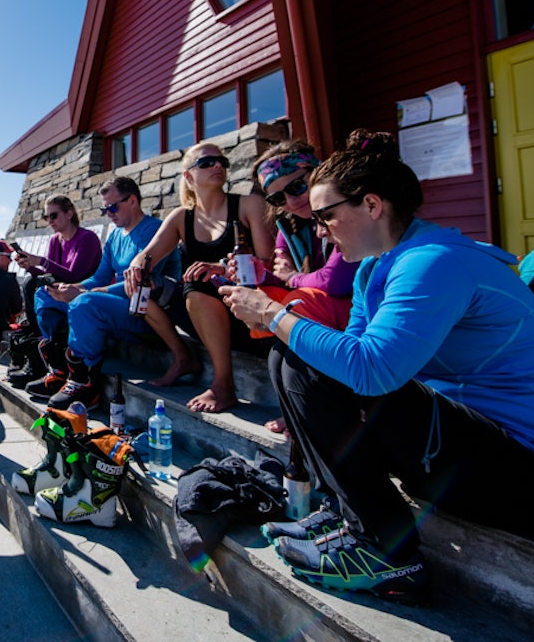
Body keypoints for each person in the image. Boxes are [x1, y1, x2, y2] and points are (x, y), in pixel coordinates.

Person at [221, 129, 534, 604]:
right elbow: (349, 355)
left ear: (372, 205)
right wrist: (282, 325)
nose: (318, 230)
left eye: (326, 216)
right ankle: (345, 513)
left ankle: (386, 550)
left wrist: (272, 314)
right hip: (477, 447)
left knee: (302, 353)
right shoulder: (374, 267)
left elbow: (371, 371)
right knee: (293, 354)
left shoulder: (433, 262)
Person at [125, 141, 272, 413]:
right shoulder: (182, 217)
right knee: (141, 287)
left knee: (196, 282)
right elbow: (148, 254)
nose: (217, 166)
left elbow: (268, 265)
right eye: (206, 163)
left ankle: (223, 385)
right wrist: (136, 267)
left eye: (221, 162)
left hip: (247, 315)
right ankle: (183, 356)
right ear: (189, 176)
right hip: (202, 318)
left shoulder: (249, 205)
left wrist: (221, 267)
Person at [29, 176, 180, 409]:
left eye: (112, 207)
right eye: (104, 209)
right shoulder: (116, 236)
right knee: (44, 294)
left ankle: (84, 382)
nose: (108, 214)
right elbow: (99, 278)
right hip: (117, 305)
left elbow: (142, 282)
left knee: (85, 303)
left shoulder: (154, 230)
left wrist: (84, 293)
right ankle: (61, 367)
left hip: (146, 311)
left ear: (132, 201)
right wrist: (75, 287)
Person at [249, 140, 359, 433]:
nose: (290, 201)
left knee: (298, 302)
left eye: (297, 187)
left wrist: (292, 277)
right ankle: (299, 404)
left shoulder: (342, 208)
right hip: (327, 311)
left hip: (362, 310)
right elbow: (282, 276)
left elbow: (335, 281)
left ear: (317, 173)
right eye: (278, 198)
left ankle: (315, 406)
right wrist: (261, 275)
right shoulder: (290, 224)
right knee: (266, 298)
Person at [14, 194, 102, 331]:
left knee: (39, 285)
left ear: (69, 214)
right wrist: (29, 266)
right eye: (46, 217)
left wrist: (42, 261)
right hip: (62, 285)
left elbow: (74, 276)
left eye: (53, 216)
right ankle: (36, 330)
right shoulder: (55, 240)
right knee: (30, 281)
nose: (50, 221)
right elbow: (49, 273)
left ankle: (51, 333)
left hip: (83, 288)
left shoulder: (87, 238)